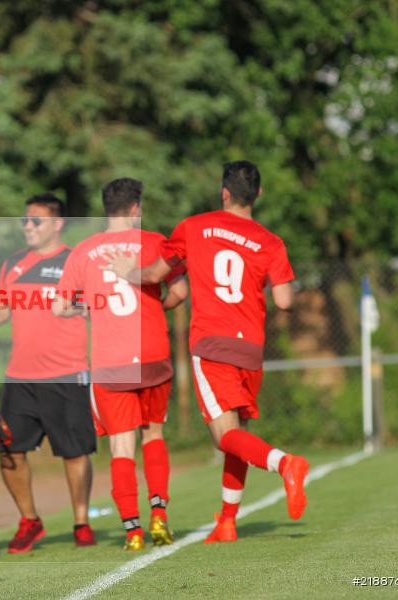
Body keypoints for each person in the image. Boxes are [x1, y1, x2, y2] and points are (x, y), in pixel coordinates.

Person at [104, 161, 309, 543]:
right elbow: (283, 301)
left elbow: (154, 274)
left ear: (224, 192)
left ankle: (285, 463)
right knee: (237, 435)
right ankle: (227, 521)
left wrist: (125, 270)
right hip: (250, 346)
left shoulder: (194, 227)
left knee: (222, 437)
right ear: (258, 195)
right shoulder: (271, 241)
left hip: (212, 344)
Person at [54, 178, 187, 551]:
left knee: (121, 448)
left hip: (111, 363)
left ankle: (132, 531)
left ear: (107, 207)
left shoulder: (83, 251)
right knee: (154, 435)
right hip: (153, 354)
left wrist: (89, 308)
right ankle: (159, 514)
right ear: (135, 208)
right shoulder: (155, 242)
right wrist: (153, 308)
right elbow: (179, 292)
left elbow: (60, 306)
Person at [0, 193, 96, 554]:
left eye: (36, 221)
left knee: (75, 452)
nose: (27, 227)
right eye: (24, 221)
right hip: (21, 376)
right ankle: (30, 521)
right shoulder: (13, 264)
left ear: (57, 224)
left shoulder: (76, 261)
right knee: (9, 451)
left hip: (67, 372)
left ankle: (81, 521)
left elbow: (97, 304)